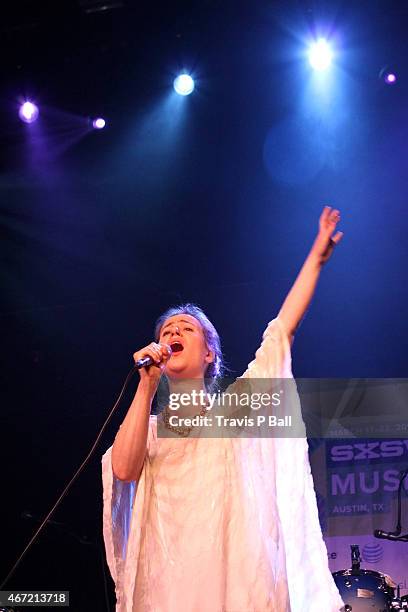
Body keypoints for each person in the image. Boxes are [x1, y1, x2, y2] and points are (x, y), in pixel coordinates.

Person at [102, 206, 345, 611]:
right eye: (167, 330)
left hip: (234, 584)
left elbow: (281, 332)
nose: (174, 331)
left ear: (209, 353)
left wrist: (315, 260)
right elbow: (124, 471)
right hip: (167, 589)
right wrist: (146, 387)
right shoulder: (147, 426)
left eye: (187, 328)